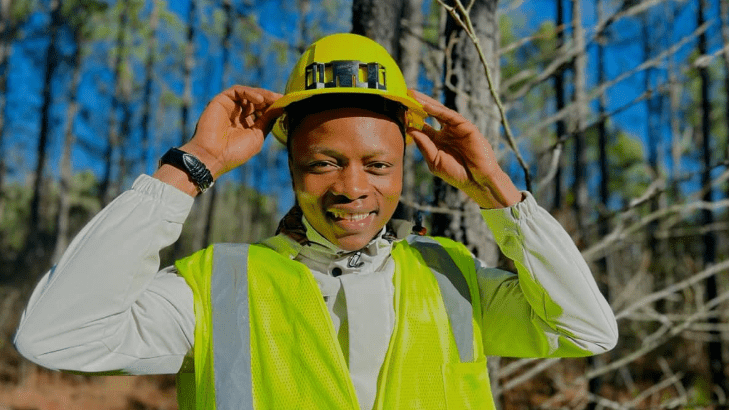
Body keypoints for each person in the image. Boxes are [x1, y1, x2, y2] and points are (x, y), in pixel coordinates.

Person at [14, 33, 617, 410]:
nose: (352, 189)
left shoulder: (450, 277)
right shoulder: (218, 284)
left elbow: (587, 332)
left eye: (377, 164)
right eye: (323, 163)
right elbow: (55, 336)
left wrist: (499, 195)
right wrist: (190, 168)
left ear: (407, 164)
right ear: (291, 165)